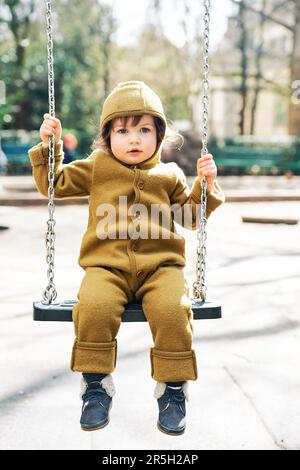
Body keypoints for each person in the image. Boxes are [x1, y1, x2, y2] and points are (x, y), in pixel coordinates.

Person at [28, 81, 225, 435]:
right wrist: (49, 148)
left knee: (172, 311)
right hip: (106, 267)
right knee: (93, 306)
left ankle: (173, 388)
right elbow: (52, 184)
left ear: (160, 135)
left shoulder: (170, 175)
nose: (133, 139)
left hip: (161, 268)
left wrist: (204, 188)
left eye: (144, 129)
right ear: (107, 136)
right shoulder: (96, 167)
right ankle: (96, 385)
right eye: (123, 130)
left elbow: (189, 219)